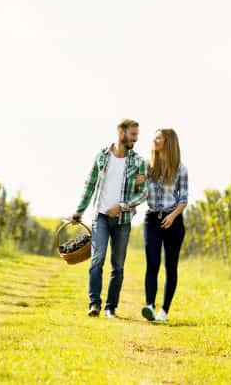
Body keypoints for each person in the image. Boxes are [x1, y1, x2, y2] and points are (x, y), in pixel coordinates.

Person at [71, 119, 148, 318]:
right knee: (97, 260)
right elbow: (90, 184)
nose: (135, 139)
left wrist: (122, 207)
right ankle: (94, 304)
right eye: (133, 135)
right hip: (101, 217)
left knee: (118, 265)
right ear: (120, 132)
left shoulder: (139, 162)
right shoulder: (102, 156)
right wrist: (79, 210)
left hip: (123, 221)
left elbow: (143, 193)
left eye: (137, 135)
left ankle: (110, 308)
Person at [141, 128, 188, 323]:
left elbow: (183, 199)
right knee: (152, 263)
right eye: (155, 137)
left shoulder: (180, 168)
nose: (154, 140)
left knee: (171, 266)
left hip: (173, 221)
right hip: (152, 219)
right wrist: (139, 184)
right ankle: (149, 306)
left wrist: (173, 216)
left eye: (159, 137)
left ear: (168, 142)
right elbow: (142, 193)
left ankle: (164, 311)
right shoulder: (147, 166)